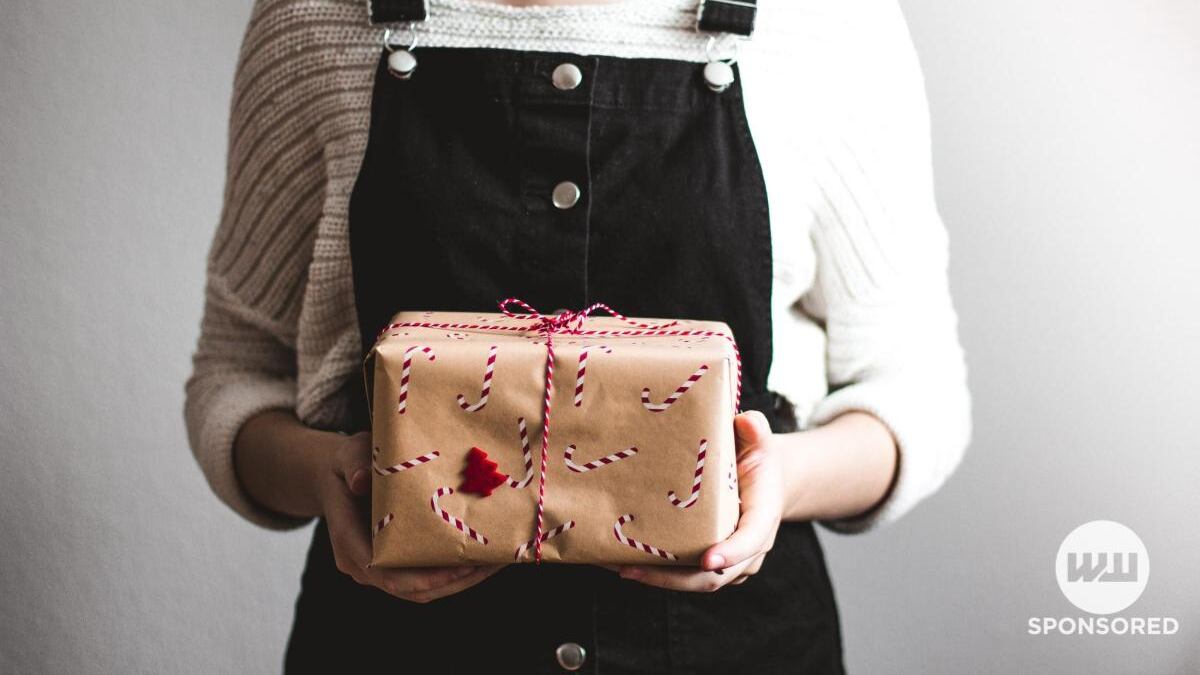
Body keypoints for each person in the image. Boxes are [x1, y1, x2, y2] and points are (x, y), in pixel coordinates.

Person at [184, 0, 971, 672]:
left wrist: (777, 479)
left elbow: (916, 390)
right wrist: (331, 476)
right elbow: (236, 373)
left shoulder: (826, 23)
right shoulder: (317, 20)